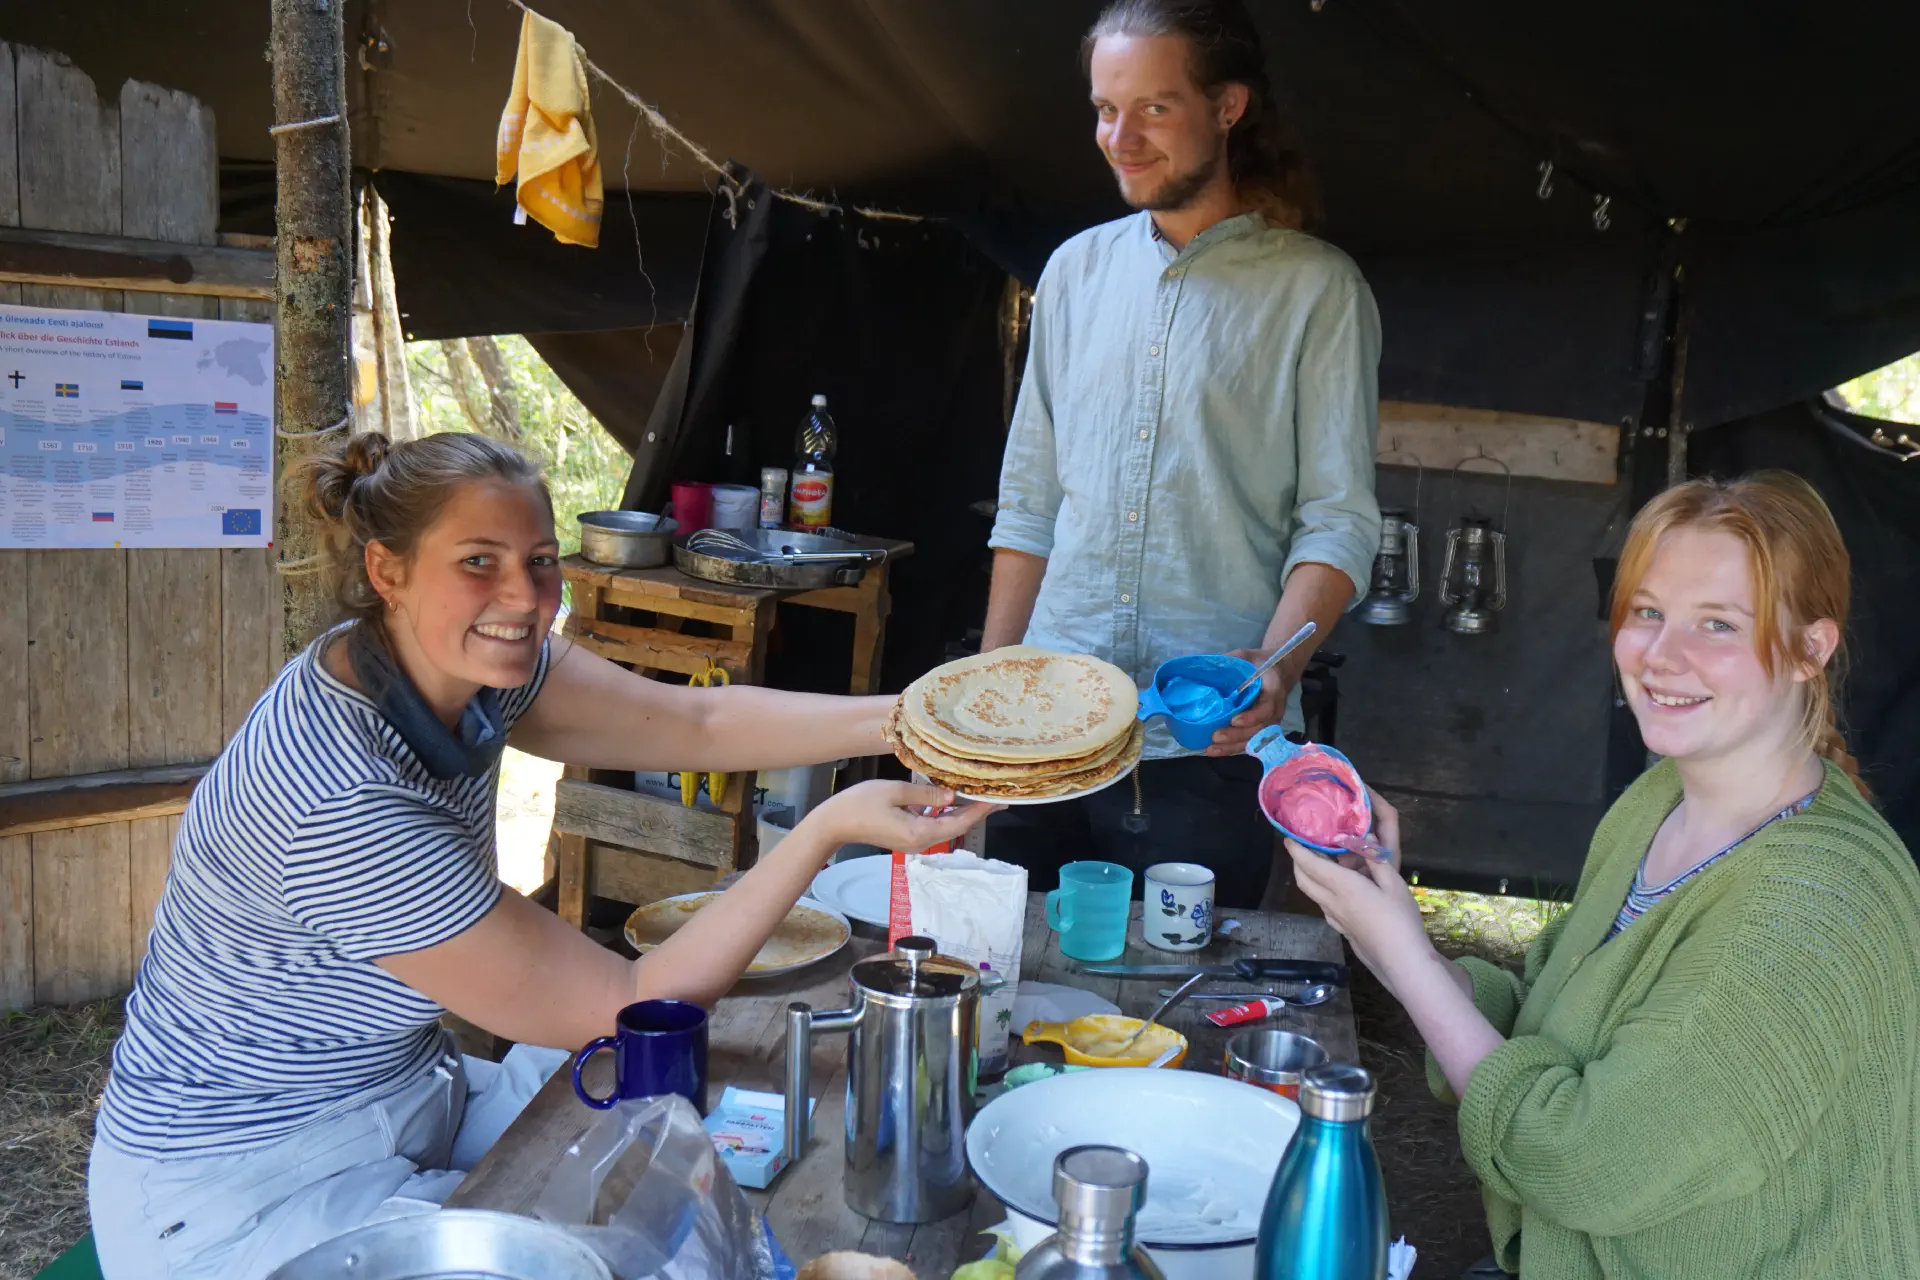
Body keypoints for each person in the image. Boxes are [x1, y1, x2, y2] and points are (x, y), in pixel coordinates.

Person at [87, 432, 992, 1280]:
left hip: (404, 1099)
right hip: (242, 1195)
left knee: (672, 1146)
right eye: (477, 562)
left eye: (541, 560)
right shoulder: (339, 802)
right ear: (386, 570)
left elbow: (697, 719)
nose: (524, 596)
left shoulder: (448, 669)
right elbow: (632, 1007)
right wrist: (827, 826)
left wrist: (921, 721)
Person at [1287, 474, 1920, 1279]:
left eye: (1717, 625)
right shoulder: (1661, 800)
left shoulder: (1817, 908)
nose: (1661, 655)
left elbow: (1585, 1163)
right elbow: (1545, 1023)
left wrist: (1407, 961)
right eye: (1648, 612)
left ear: (1810, 649)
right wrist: (1380, 920)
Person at [983, 0, 1382, 908]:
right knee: (1008, 1000)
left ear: (1228, 106)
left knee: (1177, 1022)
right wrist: (987, 697)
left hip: (1205, 746)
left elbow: (1340, 519)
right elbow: (1029, 501)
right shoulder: (1074, 274)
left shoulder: (1317, 291)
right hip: (1048, 723)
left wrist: (1277, 666)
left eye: (1155, 108)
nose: (1120, 137)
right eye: (1103, 109)